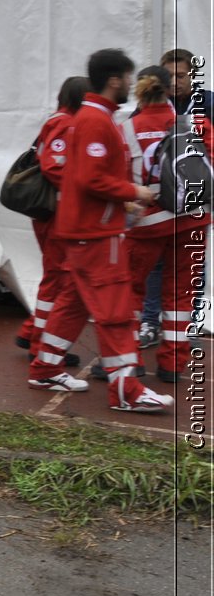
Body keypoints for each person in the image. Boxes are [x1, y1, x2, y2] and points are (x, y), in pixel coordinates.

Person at [27, 49, 173, 412]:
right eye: (127, 77)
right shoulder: (96, 120)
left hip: (85, 229)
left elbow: (84, 176)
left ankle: (45, 367)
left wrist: (122, 201)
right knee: (115, 311)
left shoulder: (94, 117)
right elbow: (92, 177)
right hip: (95, 233)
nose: (130, 84)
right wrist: (133, 192)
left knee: (74, 303)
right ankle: (126, 390)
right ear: (114, 79)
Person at [123, 65, 210, 384]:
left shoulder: (129, 128)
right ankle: (172, 364)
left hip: (147, 222)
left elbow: (118, 179)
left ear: (141, 91)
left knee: (130, 290)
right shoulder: (196, 122)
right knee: (182, 294)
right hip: (193, 218)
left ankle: (129, 360)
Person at [13, 77, 89, 362]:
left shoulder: (58, 121)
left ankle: (33, 332)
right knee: (58, 279)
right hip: (56, 214)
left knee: (55, 277)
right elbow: (55, 167)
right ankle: (40, 345)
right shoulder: (65, 123)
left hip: (52, 214)